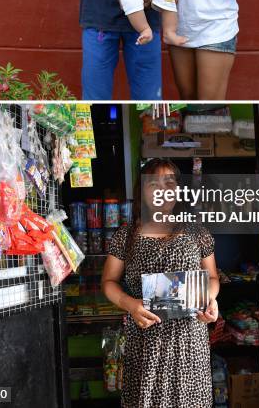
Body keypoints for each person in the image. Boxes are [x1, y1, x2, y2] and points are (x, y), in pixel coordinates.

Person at [101, 158, 219, 408]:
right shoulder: (126, 235)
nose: (163, 190)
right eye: (153, 183)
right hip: (145, 344)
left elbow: (212, 278)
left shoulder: (196, 231)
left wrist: (210, 299)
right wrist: (129, 303)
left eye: (170, 182)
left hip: (189, 343)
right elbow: (109, 282)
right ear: (141, 191)